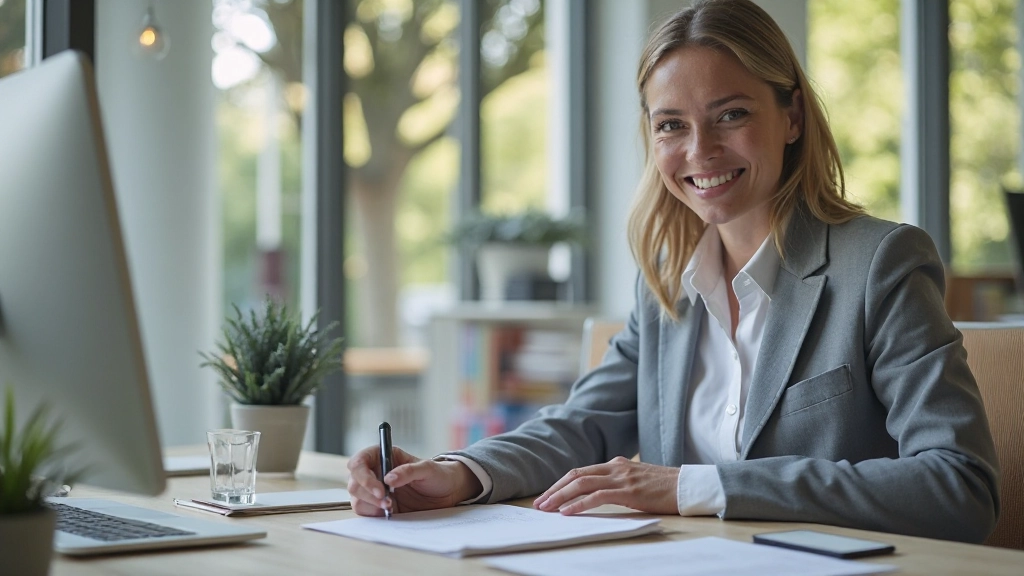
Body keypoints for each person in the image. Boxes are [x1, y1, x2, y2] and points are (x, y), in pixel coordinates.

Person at [347, 0, 1000, 543]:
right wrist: (458, 473)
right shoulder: (668, 280)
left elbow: (957, 485)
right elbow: (585, 426)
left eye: (732, 114)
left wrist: (690, 485)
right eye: (671, 125)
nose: (701, 150)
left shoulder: (880, 264)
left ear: (793, 115)